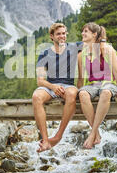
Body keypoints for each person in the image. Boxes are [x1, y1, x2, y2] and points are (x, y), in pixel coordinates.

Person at [32, 23, 82, 153]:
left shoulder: (74, 47)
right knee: (36, 96)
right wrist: (53, 87)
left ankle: (58, 136)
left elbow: (93, 39)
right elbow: (40, 81)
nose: (62, 36)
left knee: (72, 94)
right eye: (59, 34)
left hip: (68, 85)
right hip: (50, 85)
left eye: (64, 33)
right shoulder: (44, 54)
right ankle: (46, 140)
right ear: (51, 36)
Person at [77, 22, 117, 149]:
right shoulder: (82, 54)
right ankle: (96, 133)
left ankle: (92, 134)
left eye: (85, 31)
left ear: (94, 34)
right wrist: (77, 91)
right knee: (82, 94)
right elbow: (81, 78)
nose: (82, 33)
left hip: (109, 84)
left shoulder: (108, 50)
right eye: (83, 31)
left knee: (105, 92)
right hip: (93, 85)